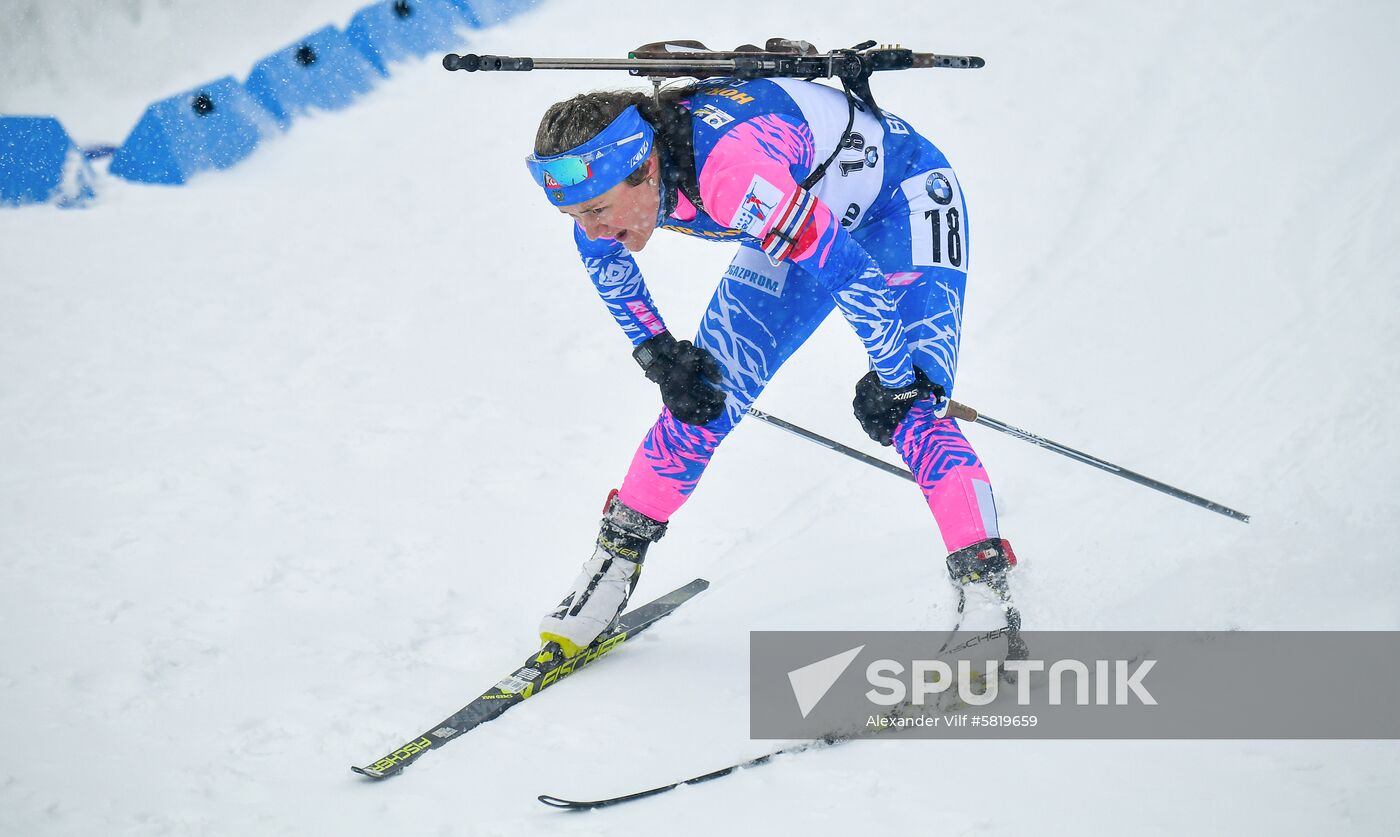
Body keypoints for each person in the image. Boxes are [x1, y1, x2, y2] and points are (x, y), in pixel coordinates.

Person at [524, 71, 1017, 659]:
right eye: (575, 216)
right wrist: (660, 353)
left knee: (915, 406)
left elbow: (851, 275)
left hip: (900, 205)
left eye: (599, 211)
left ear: (645, 169)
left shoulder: (734, 177)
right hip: (801, 217)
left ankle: (988, 599)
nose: (593, 230)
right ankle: (612, 565)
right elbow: (610, 268)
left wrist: (895, 377)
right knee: (700, 399)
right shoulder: (604, 191)